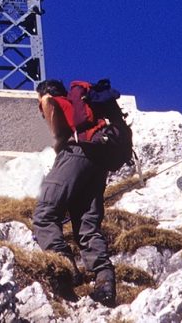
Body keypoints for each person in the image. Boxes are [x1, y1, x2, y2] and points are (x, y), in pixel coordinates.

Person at [32, 78, 116, 307]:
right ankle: (105, 281)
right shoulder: (82, 108)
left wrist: (58, 140)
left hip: (76, 154)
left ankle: (64, 269)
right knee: (87, 226)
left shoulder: (54, 100)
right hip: (98, 161)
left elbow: (47, 102)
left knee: (44, 214)